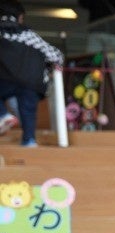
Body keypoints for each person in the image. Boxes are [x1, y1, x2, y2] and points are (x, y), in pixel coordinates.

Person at [0, 1, 63, 148]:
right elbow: (56, 56)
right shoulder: (29, 35)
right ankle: (29, 140)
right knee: (28, 111)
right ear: (20, 17)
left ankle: (3, 115)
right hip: (31, 82)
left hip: (4, 79)